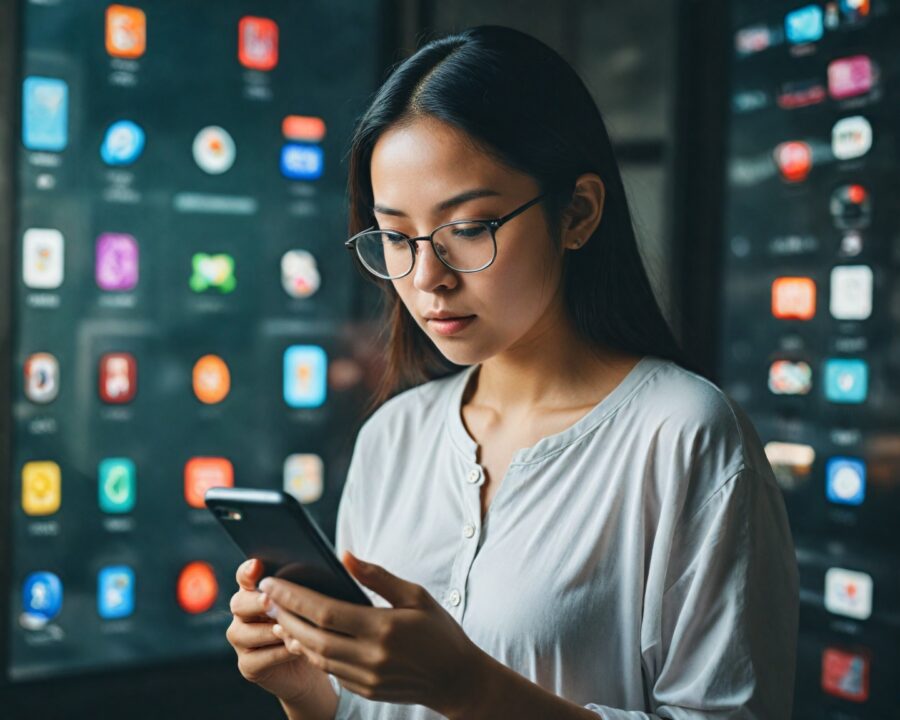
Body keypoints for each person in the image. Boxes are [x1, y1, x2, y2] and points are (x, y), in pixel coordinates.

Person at [225, 25, 799, 720]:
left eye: (468, 228)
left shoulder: (682, 437)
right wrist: (305, 689)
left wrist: (467, 687)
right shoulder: (394, 437)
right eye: (396, 237)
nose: (427, 278)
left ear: (578, 213)